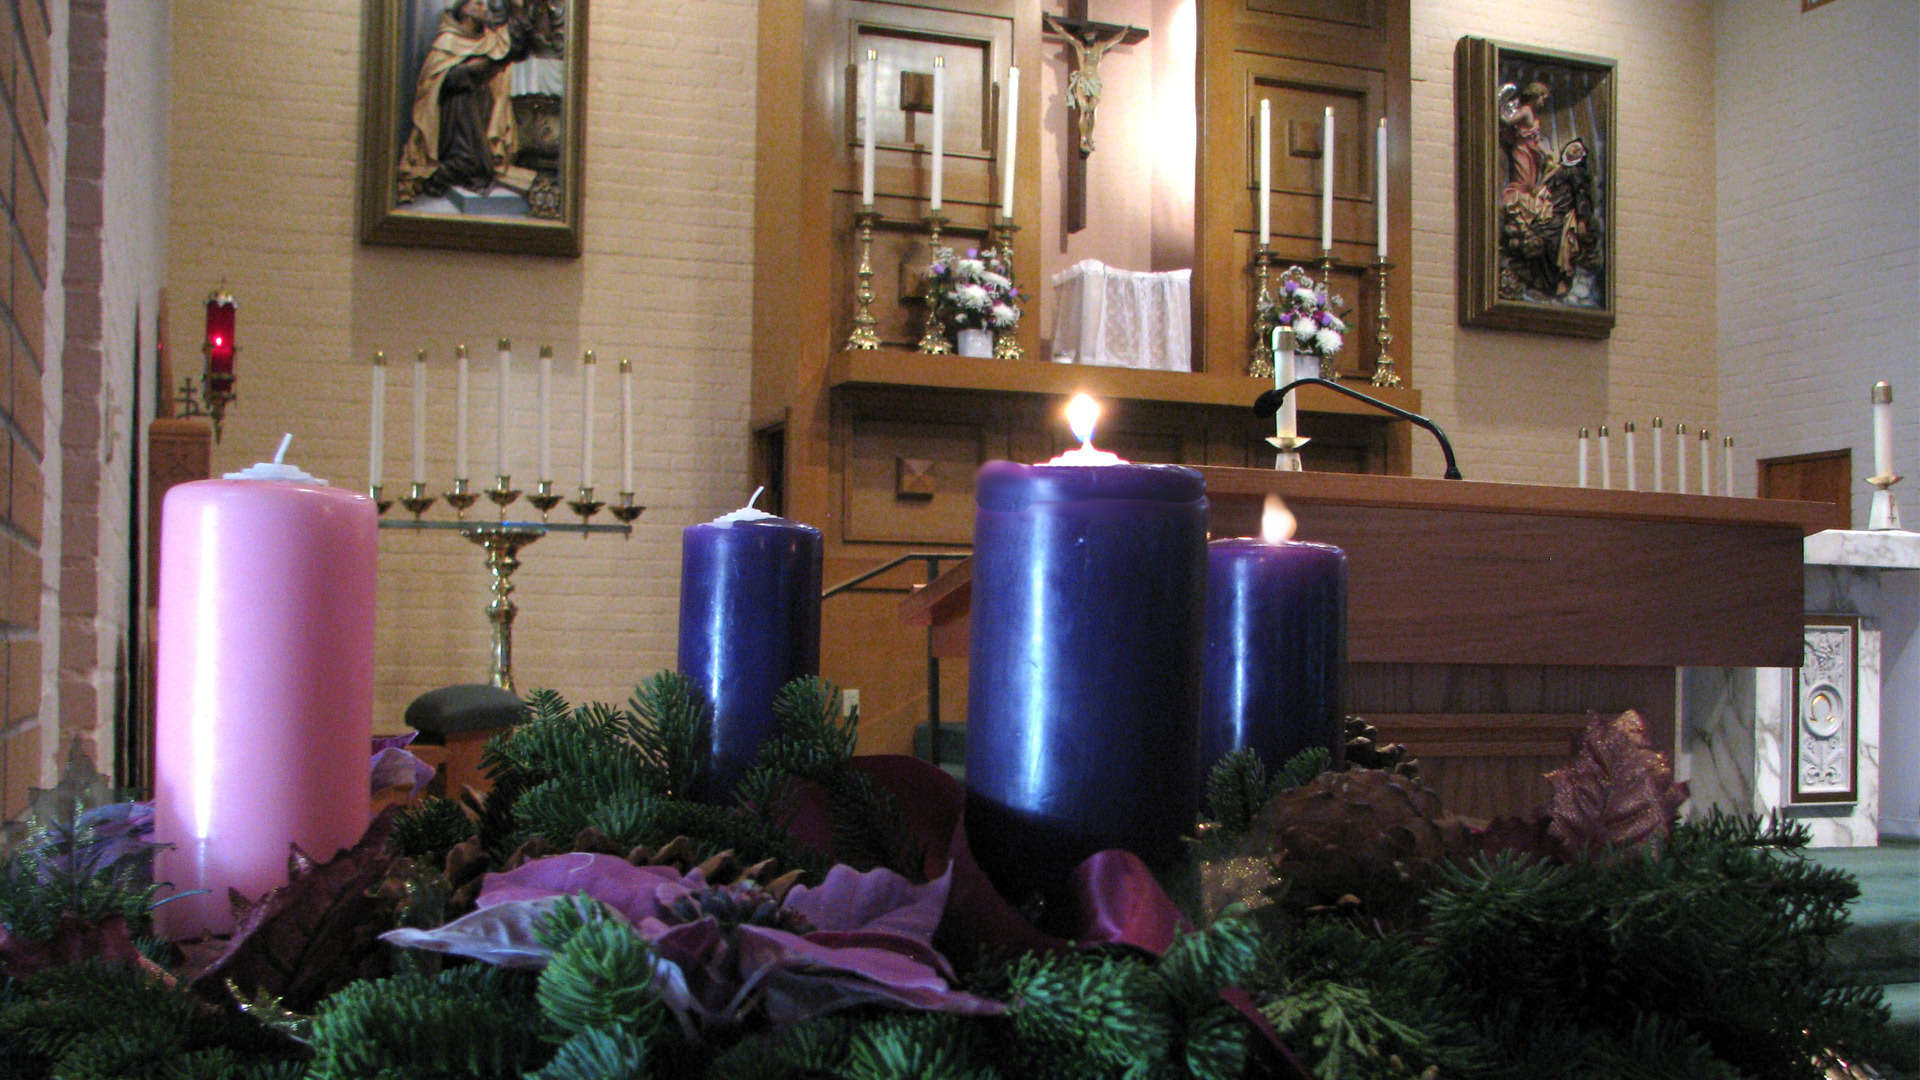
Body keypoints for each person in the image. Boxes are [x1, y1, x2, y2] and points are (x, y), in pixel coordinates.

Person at [395, 0, 536, 204]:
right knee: (461, 93)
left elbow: (517, 46)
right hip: (453, 121)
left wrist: (515, 7)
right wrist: (477, 69)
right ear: (464, 9)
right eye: (478, 3)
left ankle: (465, 165)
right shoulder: (448, 41)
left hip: (483, 115)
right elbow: (439, 83)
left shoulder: (490, 39)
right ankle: (456, 165)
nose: (485, 7)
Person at [1498, 81, 1550, 203]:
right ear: (1535, 96)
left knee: (1531, 184)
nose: (1543, 102)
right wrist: (1499, 106)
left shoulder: (1533, 113)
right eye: (1542, 98)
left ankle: (1526, 207)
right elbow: (1507, 121)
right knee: (1523, 181)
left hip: (1533, 151)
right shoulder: (1526, 110)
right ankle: (1514, 204)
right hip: (1522, 149)